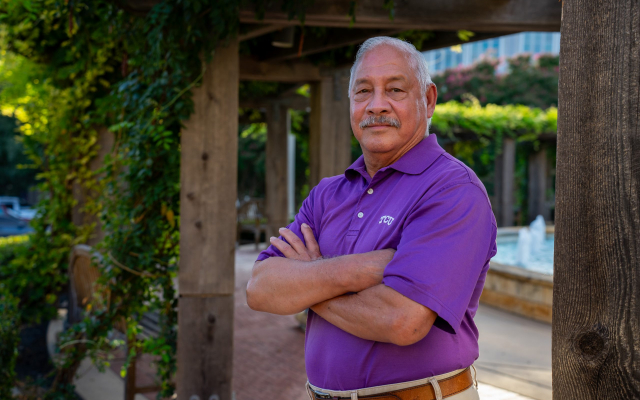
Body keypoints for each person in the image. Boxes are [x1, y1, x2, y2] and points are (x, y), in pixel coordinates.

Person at [246, 36, 497, 400]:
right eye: (363, 91)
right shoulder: (328, 194)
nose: (377, 105)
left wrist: (306, 283)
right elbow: (260, 288)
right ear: (351, 103)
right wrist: (369, 268)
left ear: (427, 100)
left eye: (395, 89)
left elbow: (402, 321)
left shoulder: (453, 190)